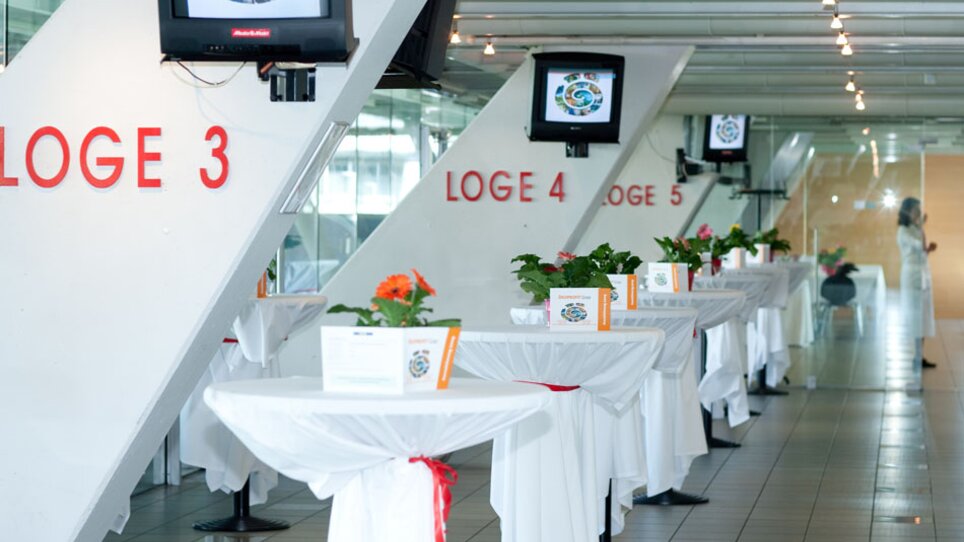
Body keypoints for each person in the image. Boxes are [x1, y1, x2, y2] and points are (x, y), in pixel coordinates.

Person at [896, 197, 937, 368]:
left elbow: (923, 251)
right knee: (915, 317)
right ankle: (916, 355)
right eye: (915, 210)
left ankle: (920, 356)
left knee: (924, 316)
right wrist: (922, 227)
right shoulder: (903, 231)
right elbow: (916, 245)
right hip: (912, 276)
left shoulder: (916, 229)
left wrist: (929, 249)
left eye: (919, 210)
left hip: (923, 275)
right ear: (907, 212)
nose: (919, 213)